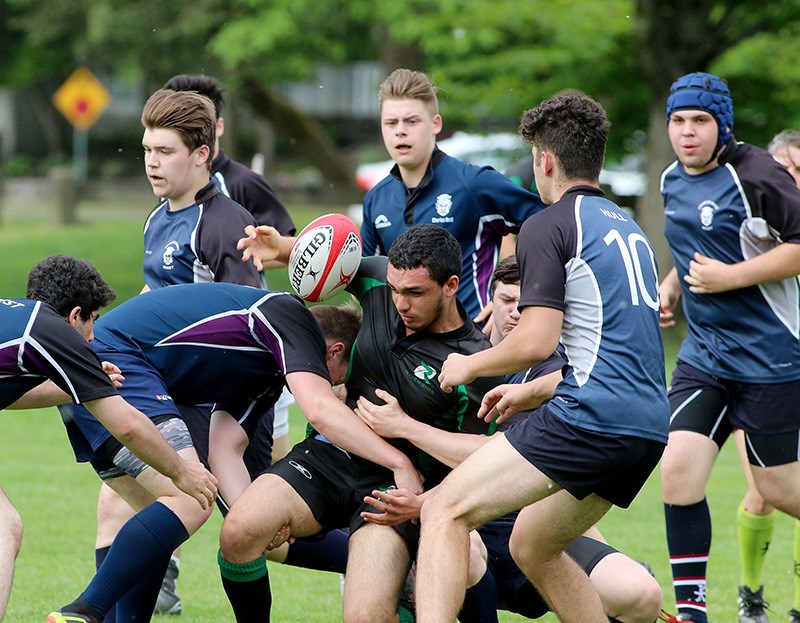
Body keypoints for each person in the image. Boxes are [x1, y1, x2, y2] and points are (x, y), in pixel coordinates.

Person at [411, 92, 668, 623]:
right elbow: (612, 355)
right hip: (647, 428)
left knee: (443, 508)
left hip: (592, 419)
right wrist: (529, 390)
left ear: (544, 161)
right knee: (534, 544)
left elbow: (536, 342)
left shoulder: (548, 224)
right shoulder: (628, 227)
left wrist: (469, 365)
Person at [46, 280, 415, 623]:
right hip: (116, 365)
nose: (340, 386)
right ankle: (84, 611)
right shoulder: (290, 315)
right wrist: (397, 460)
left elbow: (225, 449)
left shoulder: (261, 373)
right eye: (345, 376)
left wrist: (254, 523)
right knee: (189, 495)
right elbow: (320, 410)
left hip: (95, 376)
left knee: (158, 512)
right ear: (334, 352)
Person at [355, 255, 663, 623]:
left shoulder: (557, 375)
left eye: (528, 305)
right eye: (506, 301)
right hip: (460, 522)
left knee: (641, 594)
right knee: (458, 545)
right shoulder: (453, 349)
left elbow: (497, 455)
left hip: (523, 522)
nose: (517, 313)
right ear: (489, 298)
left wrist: (405, 426)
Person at [220, 223, 503, 622]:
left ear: (451, 285)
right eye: (395, 290)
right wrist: (281, 246)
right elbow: (334, 260)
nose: (400, 304)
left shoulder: (475, 362)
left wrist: (407, 433)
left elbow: (485, 457)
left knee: (365, 616)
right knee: (240, 531)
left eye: (415, 294)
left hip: (393, 491)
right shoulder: (378, 284)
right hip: (329, 457)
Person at [93, 85, 267, 619]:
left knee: (266, 532)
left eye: (164, 151)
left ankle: (371, 555)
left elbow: (254, 323)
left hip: (210, 401)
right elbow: (152, 299)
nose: (152, 162)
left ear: (201, 153)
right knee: (123, 506)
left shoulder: (222, 222)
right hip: (164, 387)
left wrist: (228, 421)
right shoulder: (158, 216)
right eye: (147, 150)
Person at [0, 255, 217, 623]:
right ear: (75, 315)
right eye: (93, 322)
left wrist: (73, 387)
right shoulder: (53, 332)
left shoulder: (18, 319)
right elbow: (128, 425)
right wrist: (182, 472)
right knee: (3, 529)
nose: (93, 338)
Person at [657, 73, 800, 623]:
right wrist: (672, 287)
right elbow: (693, 246)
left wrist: (732, 277)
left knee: (778, 488)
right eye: (678, 121)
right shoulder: (671, 178)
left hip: (771, 358)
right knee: (678, 472)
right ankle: (693, 613)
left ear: (723, 125)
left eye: (700, 121)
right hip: (705, 355)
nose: (687, 133)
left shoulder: (758, 174)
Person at [360, 68, 546, 323]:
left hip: (472, 345)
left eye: (411, 121)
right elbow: (368, 281)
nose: (400, 131)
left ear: (436, 123)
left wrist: (514, 291)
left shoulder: (474, 184)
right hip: (403, 353)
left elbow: (551, 225)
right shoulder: (376, 199)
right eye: (391, 123)